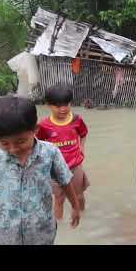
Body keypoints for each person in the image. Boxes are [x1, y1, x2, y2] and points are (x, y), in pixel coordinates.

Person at [0, 96, 80, 245]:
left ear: (35, 130)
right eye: (4, 143)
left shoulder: (50, 153)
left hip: (41, 235)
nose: (13, 149)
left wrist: (75, 206)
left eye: (21, 141)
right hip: (1, 238)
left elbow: (65, 180)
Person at [36, 85, 89, 220]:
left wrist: (82, 148)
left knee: (79, 195)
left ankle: (82, 216)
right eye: (58, 106)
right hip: (55, 169)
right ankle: (58, 227)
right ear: (48, 105)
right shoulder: (44, 126)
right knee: (59, 199)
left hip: (75, 166)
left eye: (66, 104)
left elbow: (83, 134)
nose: (63, 109)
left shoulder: (77, 120)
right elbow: (39, 144)